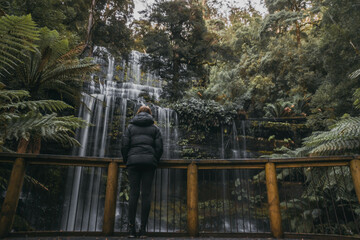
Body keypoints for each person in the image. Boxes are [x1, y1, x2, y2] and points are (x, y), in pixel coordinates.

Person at [121, 105, 163, 238]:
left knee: (133, 195)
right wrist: (154, 159)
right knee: (146, 195)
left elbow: (124, 145)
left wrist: (126, 160)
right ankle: (143, 230)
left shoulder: (130, 127)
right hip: (149, 163)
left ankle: (131, 230)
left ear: (138, 113)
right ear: (150, 114)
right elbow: (159, 147)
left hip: (133, 163)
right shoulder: (155, 128)